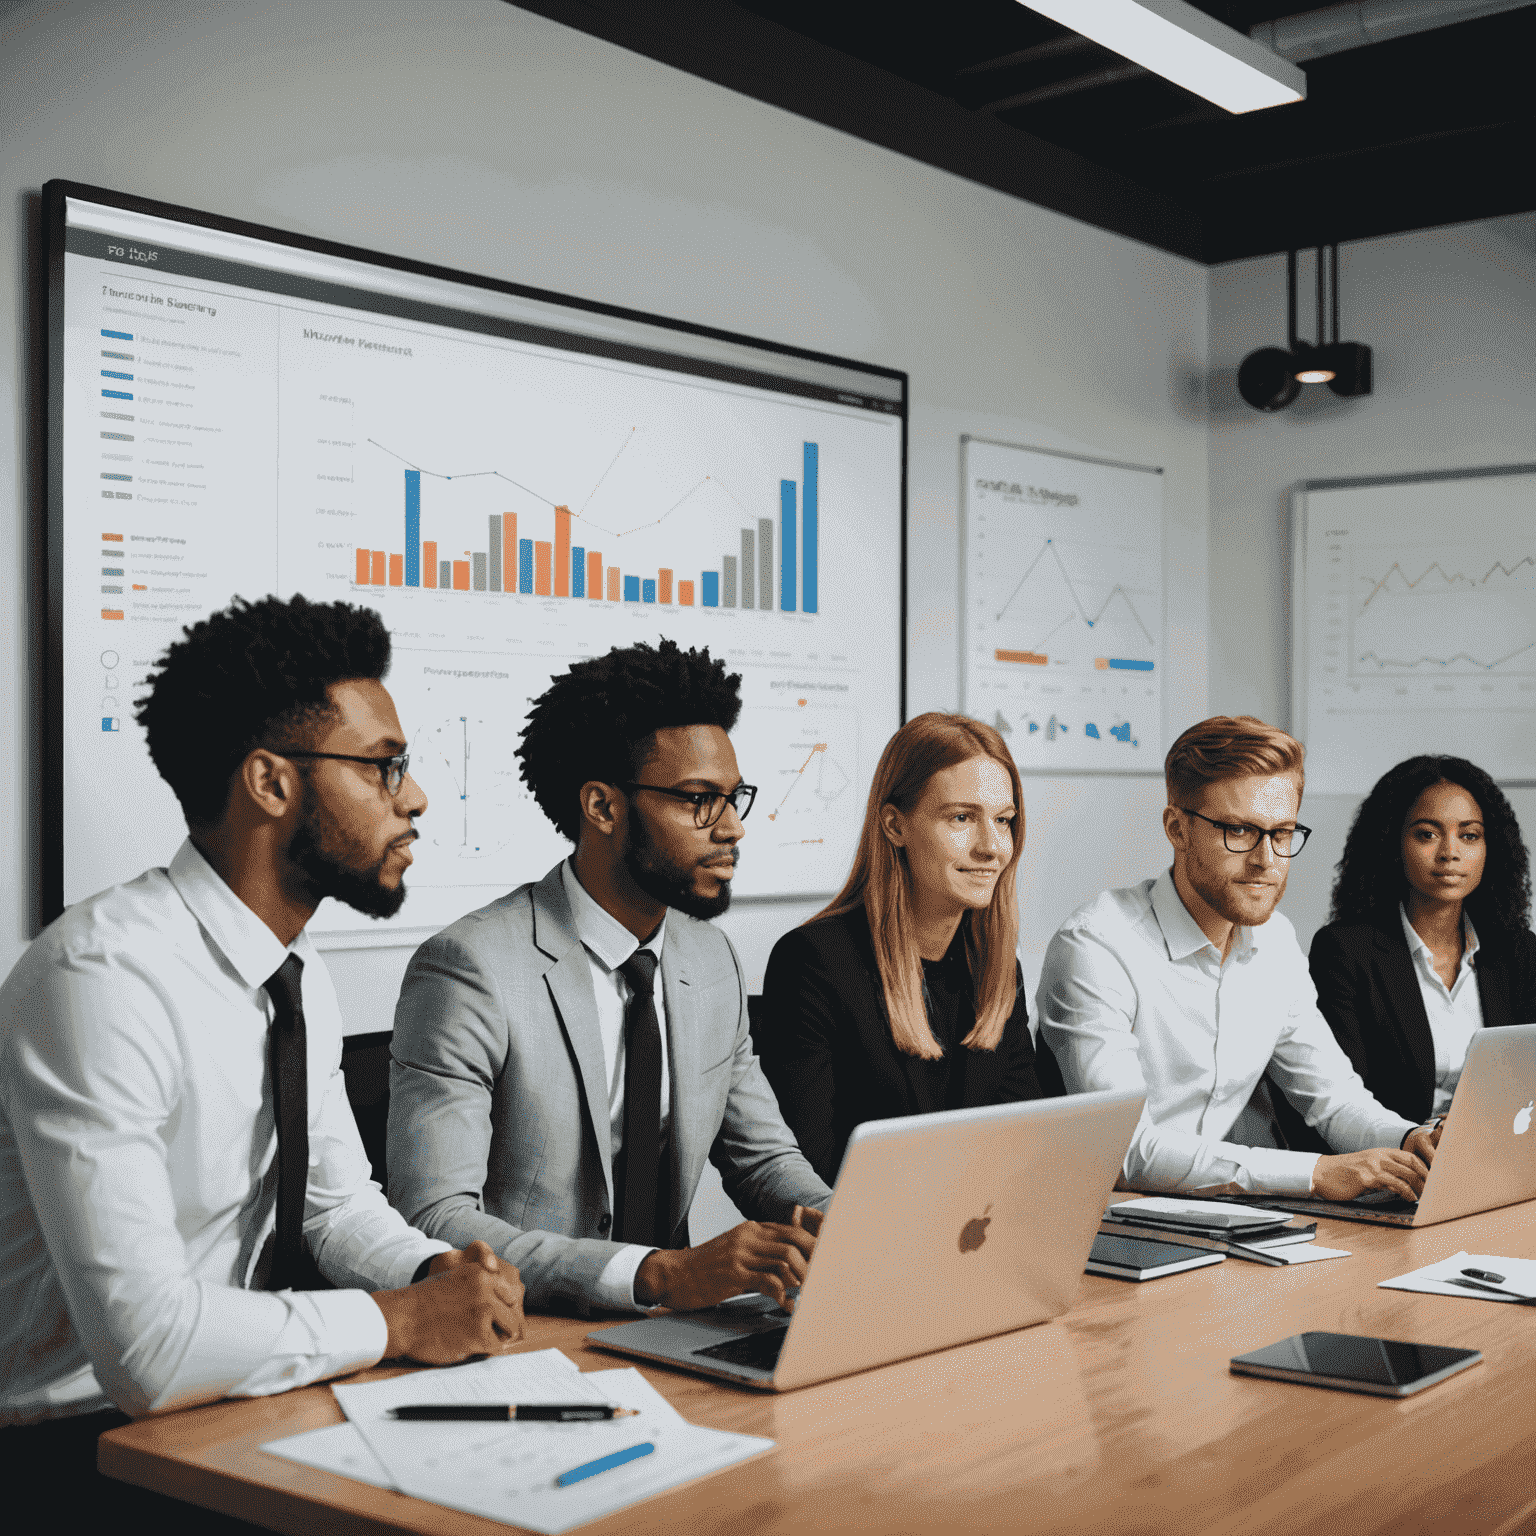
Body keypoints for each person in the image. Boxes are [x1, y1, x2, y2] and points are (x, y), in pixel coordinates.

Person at [0, 596, 524, 1519]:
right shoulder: (98, 978)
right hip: (73, 1452)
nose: (415, 795)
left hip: (239, 1408)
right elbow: (148, 1351)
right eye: (382, 766)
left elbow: (334, 1204)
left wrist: (429, 1272)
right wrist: (400, 1321)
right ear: (271, 784)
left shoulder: (292, 969)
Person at [387, 639, 832, 1318]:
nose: (734, 828)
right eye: (698, 801)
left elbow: (764, 1161)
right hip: (528, 1329)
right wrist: (655, 1274)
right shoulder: (471, 968)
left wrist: (855, 1231)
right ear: (602, 807)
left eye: (733, 797)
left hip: (673, 1331)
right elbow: (433, 1217)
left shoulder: (710, 960)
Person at [1037, 715, 1441, 1200]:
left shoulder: (1274, 942)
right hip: (1094, 1218)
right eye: (1240, 831)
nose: (1266, 861)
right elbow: (1125, 1151)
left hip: (1212, 1218)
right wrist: (1315, 1175)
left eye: (1282, 833)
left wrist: (1409, 1139)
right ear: (1177, 828)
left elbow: (1333, 1101)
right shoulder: (1096, 946)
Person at [756, 713, 1048, 1187]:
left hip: (976, 1238)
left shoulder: (994, 968)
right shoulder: (813, 963)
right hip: (863, 1247)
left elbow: (1027, 1145)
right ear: (894, 825)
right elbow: (809, 1173)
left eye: (1003, 820)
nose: (993, 847)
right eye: (961, 818)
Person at [1309, 755, 1536, 1126]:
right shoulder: (1346, 951)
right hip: (1396, 1160)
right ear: (1393, 843)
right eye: (1427, 834)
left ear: (1488, 848)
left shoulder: (1519, 952)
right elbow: (1340, 1098)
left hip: (1500, 1155)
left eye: (1469, 835)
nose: (1450, 852)